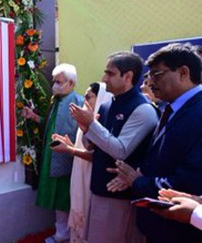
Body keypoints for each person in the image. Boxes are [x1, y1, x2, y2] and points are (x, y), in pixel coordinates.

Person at [107, 43, 202, 242]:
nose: (150, 82)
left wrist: (138, 181)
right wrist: (140, 171)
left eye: (157, 75)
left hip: (180, 231)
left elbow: (189, 181)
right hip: (159, 225)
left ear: (183, 73)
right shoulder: (172, 108)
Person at [69, 52, 158, 243]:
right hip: (99, 189)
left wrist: (91, 125)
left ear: (128, 77)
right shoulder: (107, 105)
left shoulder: (143, 109)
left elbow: (120, 150)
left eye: (110, 73)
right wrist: (86, 128)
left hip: (120, 197)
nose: (104, 79)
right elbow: (91, 145)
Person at [22, 63, 83, 243]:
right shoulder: (54, 101)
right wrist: (34, 117)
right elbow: (49, 124)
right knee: (57, 199)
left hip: (69, 159)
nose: (55, 84)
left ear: (71, 83)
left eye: (59, 81)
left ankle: (73, 235)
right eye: (54, 81)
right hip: (52, 157)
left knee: (68, 197)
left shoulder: (79, 102)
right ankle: (62, 234)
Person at [51, 82, 113, 243]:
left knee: (88, 219)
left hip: (92, 178)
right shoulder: (88, 120)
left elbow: (97, 157)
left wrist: (69, 150)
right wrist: (70, 145)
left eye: (89, 96)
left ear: (101, 98)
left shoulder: (101, 123)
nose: (84, 100)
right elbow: (84, 149)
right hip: (80, 173)